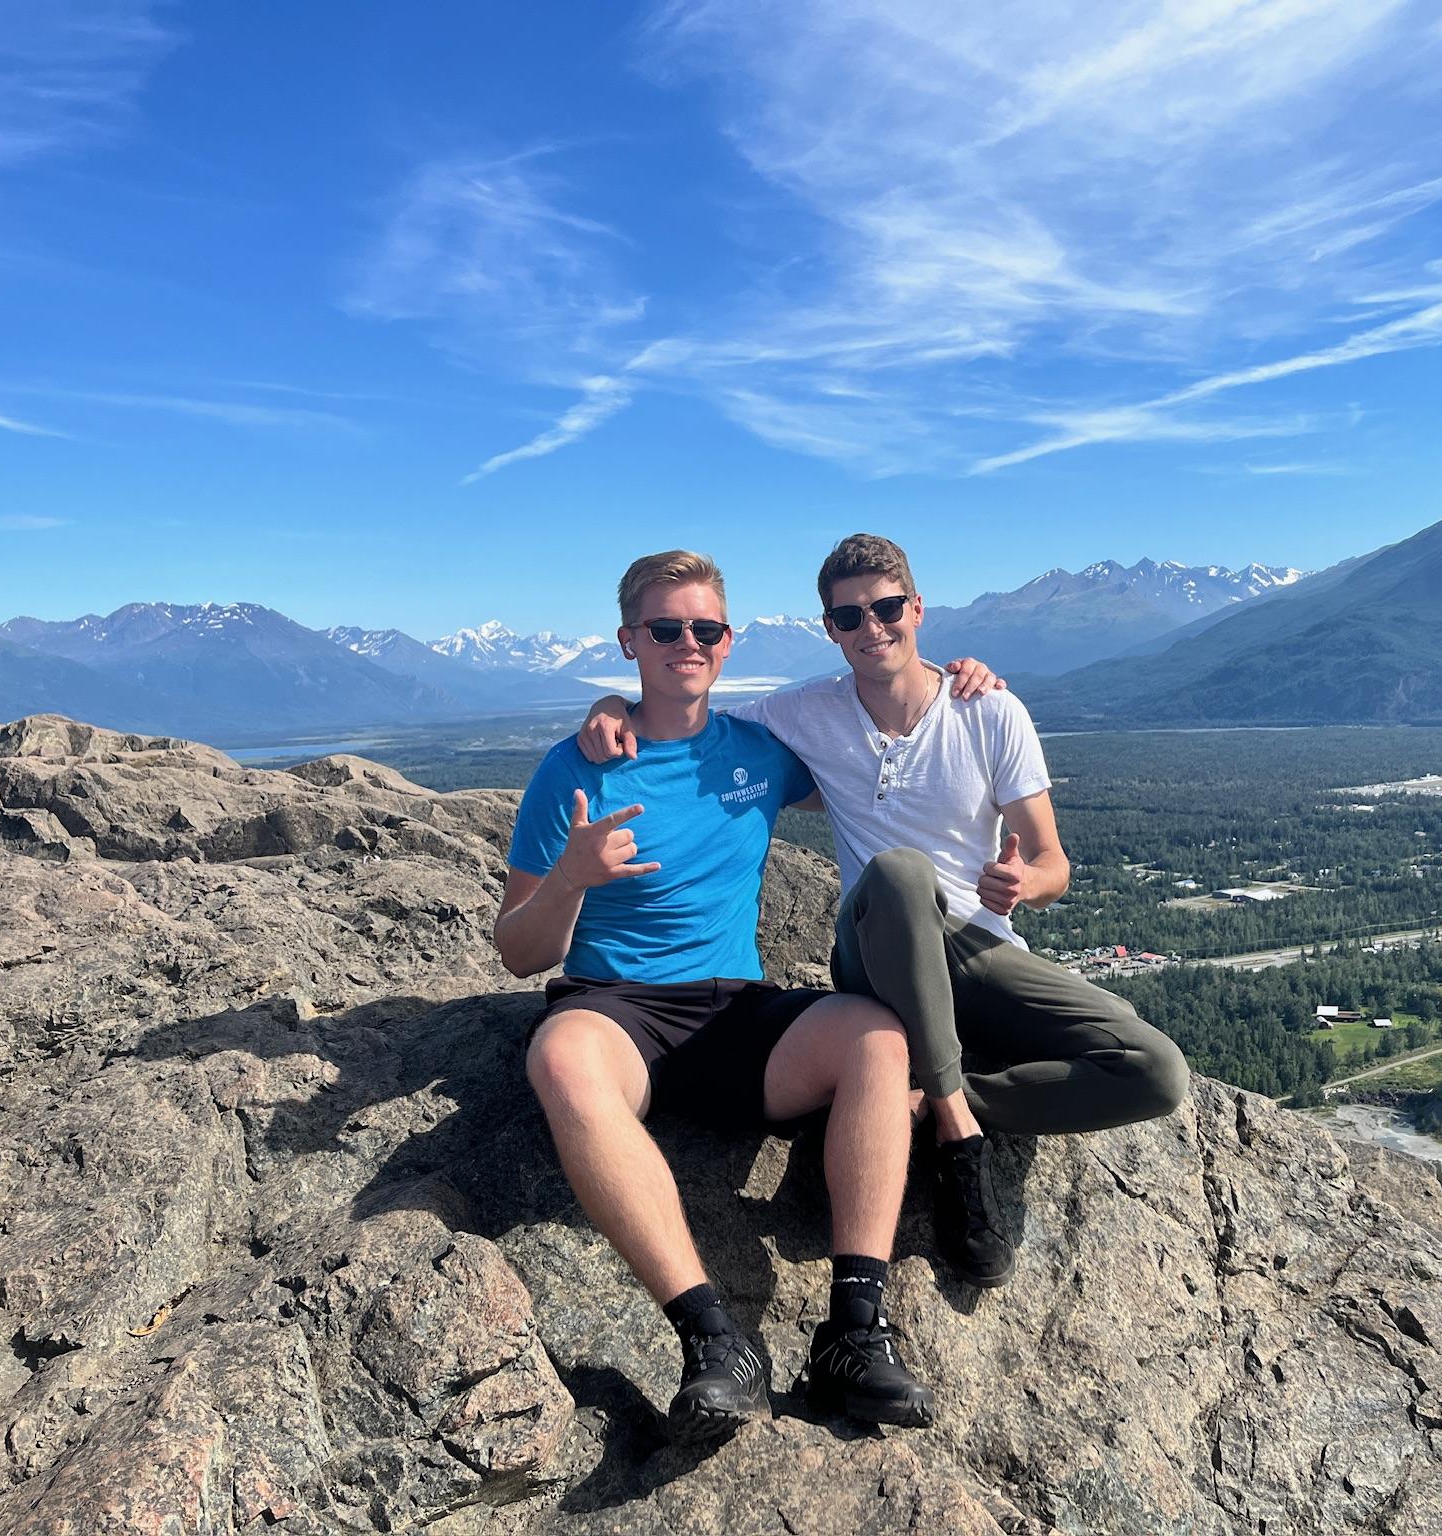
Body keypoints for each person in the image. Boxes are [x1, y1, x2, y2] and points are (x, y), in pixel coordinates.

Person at [579, 534, 1189, 1291]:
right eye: (849, 617)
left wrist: (1025, 884)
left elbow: (1052, 861)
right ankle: (960, 1139)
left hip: (975, 946)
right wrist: (611, 704)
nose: (872, 628)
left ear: (917, 609)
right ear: (830, 629)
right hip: (876, 951)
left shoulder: (990, 711)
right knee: (901, 874)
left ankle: (928, 1100)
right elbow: (686, 704)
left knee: (1155, 1071)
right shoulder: (804, 712)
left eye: (887, 608)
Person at [495, 549, 935, 1445]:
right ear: (629, 641)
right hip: (616, 1009)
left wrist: (958, 681)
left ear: (729, 642)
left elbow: (881, 730)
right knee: (561, 1058)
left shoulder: (760, 753)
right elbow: (517, 952)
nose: (686, 644)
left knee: (877, 1037)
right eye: (665, 629)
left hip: (734, 1009)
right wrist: (570, 878)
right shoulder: (573, 770)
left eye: (705, 628)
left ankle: (854, 1333)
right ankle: (713, 1340)